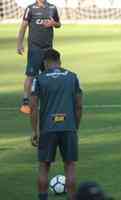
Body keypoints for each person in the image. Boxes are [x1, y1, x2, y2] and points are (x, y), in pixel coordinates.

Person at [30, 49, 83, 200]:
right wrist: (75, 126)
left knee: (44, 167)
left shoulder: (39, 79)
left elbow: (33, 106)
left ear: (45, 62)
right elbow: (79, 105)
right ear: (59, 61)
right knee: (70, 166)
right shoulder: (72, 77)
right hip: (69, 127)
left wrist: (35, 131)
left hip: (47, 128)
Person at [17, 0, 61, 114]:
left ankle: (50, 101)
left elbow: (59, 24)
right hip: (34, 48)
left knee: (50, 75)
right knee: (30, 75)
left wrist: (54, 24)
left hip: (48, 48)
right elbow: (23, 26)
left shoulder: (52, 7)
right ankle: (25, 102)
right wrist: (19, 43)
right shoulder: (30, 9)